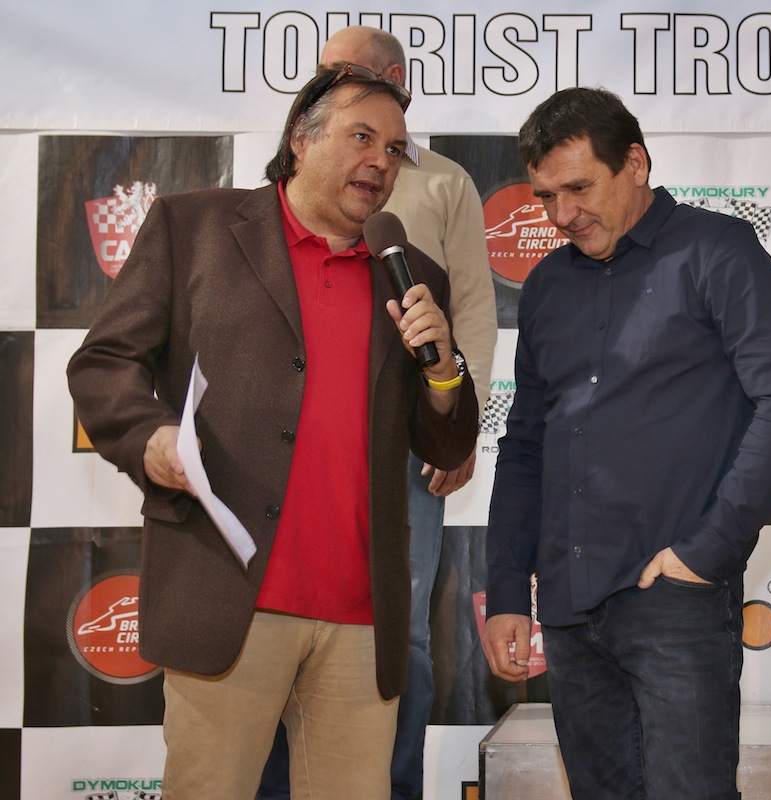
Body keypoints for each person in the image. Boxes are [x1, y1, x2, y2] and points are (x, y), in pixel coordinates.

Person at [66, 64, 478, 799]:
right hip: (228, 601)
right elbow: (103, 364)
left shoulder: (412, 274)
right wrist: (152, 438)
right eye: (362, 137)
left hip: (361, 620)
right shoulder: (192, 228)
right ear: (300, 140)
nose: (381, 161)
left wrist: (445, 369)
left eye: (394, 149)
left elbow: (445, 447)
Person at [481, 87, 771, 799]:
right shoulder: (545, 286)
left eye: (579, 188)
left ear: (634, 163)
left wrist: (705, 552)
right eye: (546, 196)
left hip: (674, 600)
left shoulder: (717, 250)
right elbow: (524, 446)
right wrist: (510, 588)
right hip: (568, 607)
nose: (562, 215)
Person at [256, 26, 496, 800]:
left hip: (404, 442)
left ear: (394, 79)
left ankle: (390, 790)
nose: (323, 85)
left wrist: (460, 419)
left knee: (403, 635)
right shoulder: (295, 167)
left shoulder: (447, 182)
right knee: (270, 624)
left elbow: (472, 309)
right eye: (321, 76)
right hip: (294, 441)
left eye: (344, 72)